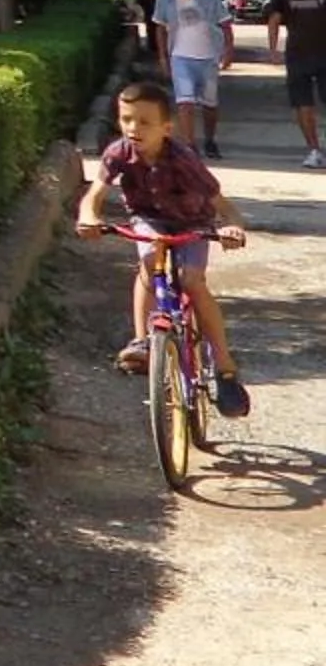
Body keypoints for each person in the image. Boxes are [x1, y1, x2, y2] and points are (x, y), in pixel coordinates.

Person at [76, 79, 250, 417]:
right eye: (126, 119)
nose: (133, 129)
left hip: (193, 223)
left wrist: (233, 228)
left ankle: (225, 367)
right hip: (148, 218)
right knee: (149, 256)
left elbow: (225, 207)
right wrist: (88, 217)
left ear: (166, 128)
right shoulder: (118, 153)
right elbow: (94, 194)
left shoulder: (183, 159)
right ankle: (142, 341)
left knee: (192, 280)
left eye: (144, 122)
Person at [148, 0, 236, 155]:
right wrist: (163, 56)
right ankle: (189, 145)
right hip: (180, 56)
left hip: (208, 56)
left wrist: (228, 50)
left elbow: (224, 23)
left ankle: (210, 140)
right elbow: (160, 27)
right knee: (184, 102)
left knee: (209, 103)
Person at [267, 0, 326, 170]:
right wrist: (273, 50)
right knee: (303, 105)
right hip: (297, 56)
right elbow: (274, 21)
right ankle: (314, 150)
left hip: (324, 54)